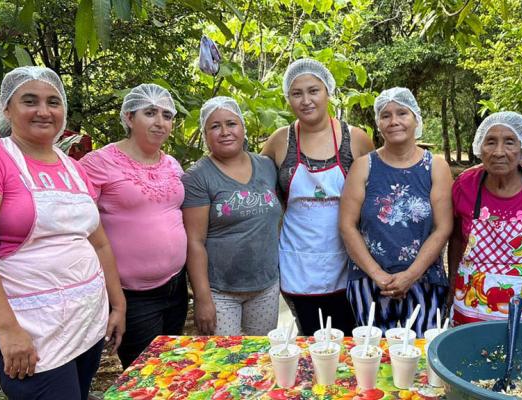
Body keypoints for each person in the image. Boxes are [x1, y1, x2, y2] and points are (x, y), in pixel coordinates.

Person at [0, 66, 125, 399]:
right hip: (31, 330)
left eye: (53, 102)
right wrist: (8, 330)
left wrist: (117, 305)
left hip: (86, 321)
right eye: (30, 101)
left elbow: (99, 243)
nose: (44, 111)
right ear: (7, 108)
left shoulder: (72, 167)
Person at [261, 58, 374, 335]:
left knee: (348, 339)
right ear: (288, 98)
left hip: (347, 261)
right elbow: (258, 188)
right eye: (297, 93)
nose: (306, 100)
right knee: (310, 339)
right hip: (298, 260)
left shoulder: (356, 138)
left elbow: (374, 197)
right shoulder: (280, 140)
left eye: (314, 91)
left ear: (328, 92)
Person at [79, 84, 186, 368]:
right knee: (146, 375)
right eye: (150, 113)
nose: (160, 122)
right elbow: (80, 226)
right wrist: (114, 301)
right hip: (133, 294)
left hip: (176, 286)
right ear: (128, 117)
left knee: (174, 368)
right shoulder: (98, 163)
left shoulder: (173, 165)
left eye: (166, 115)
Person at [340, 88, 452, 337]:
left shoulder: (436, 166)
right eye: (385, 115)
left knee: (421, 359)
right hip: (369, 281)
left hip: (425, 280)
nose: (394, 121)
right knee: (373, 358)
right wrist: (378, 275)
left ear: (416, 119)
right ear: (378, 123)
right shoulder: (363, 166)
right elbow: (348, 225)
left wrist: (411, 275)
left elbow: (443, 227)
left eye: (402, 113)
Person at [182, 96, 283, 336]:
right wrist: (203, 298)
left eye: (231, 123)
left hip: (266, 286)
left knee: (259, 358)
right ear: (205, 135)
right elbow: (194, 242)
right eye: (215, 126)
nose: (225, 131)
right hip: (220, 291)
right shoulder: (198, 177)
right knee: (225, 362)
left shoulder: (267, 166)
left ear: (243, 127)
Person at [448, 112, 522, 327]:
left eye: (509, 142)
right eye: (490, 142)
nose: (499, 152)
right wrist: (452, 282)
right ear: (479, 147)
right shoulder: (465, 184)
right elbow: (456, 238)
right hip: (471, 299)